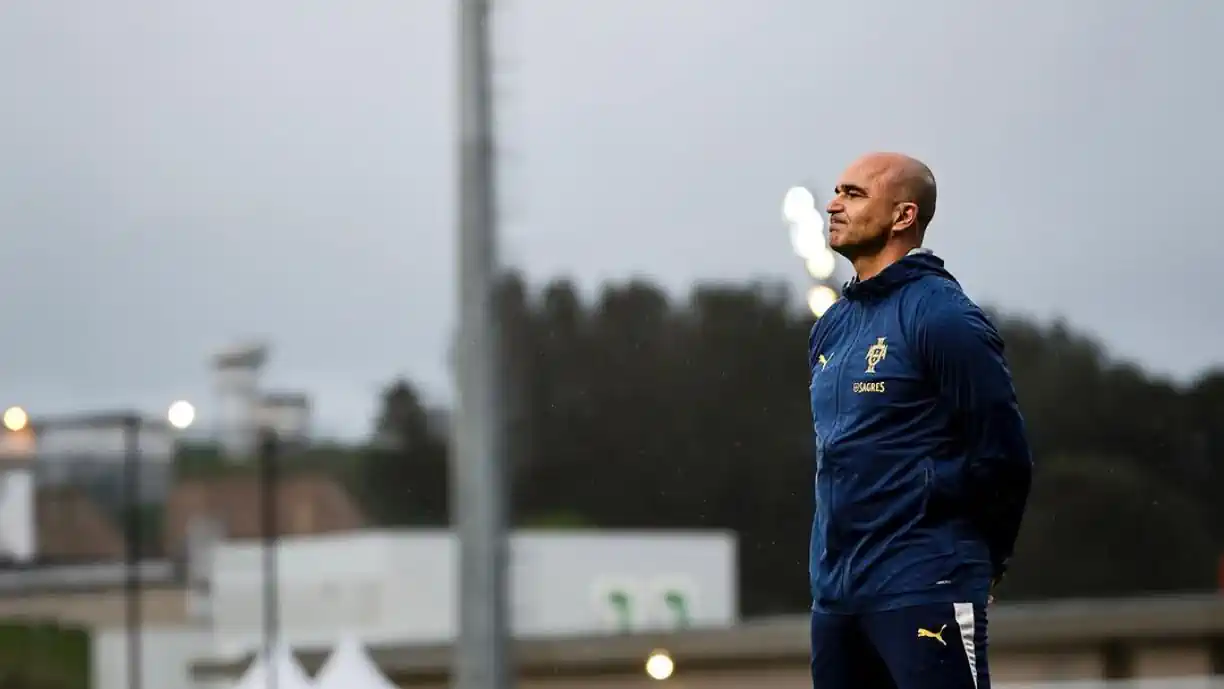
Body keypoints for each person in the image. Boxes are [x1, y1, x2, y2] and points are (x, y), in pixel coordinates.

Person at [808, 152, 1033, 689]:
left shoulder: (943, 317)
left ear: (903, 216)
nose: (833, 204)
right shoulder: (832, 327)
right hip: (838, 598)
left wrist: (981, 560)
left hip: (925, 584)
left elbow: (1003, 455)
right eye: (837, 190)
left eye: (854, 194)